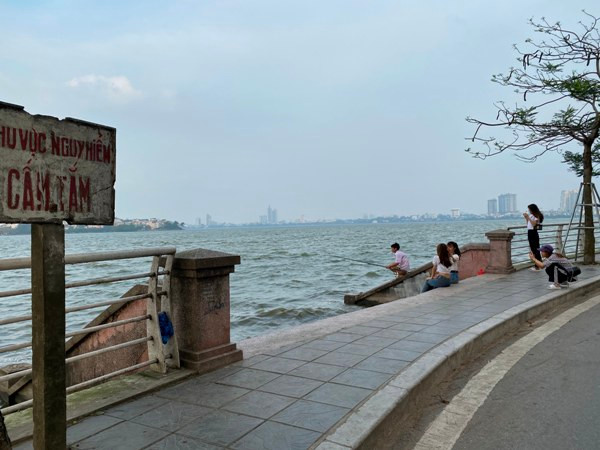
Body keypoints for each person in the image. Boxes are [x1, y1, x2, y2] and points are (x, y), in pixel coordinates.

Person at [524, 203, 544, 271]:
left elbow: (534, 224)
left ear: (532, 209)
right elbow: (528, 224)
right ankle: (538, 264)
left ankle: (537, 266)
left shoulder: (537, 216)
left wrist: (528, 217)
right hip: (530, 232)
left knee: (535, 249)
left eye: (529, 209)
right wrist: (526, 218)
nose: (529, 210)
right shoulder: (531, 215)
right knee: (533, 249)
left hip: (533, 232)